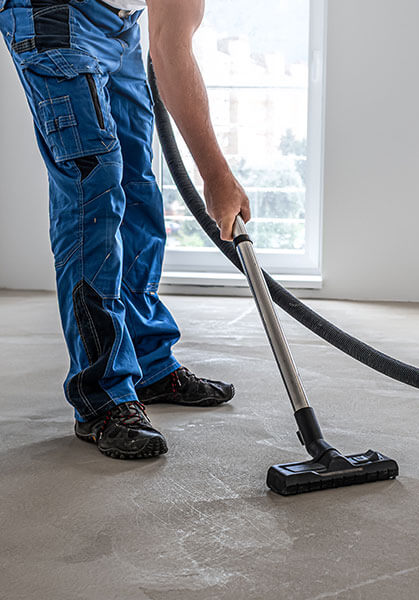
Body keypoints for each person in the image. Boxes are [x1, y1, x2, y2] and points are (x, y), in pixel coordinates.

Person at [0, 0, 251, 459]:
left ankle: (151, 364)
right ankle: (103, 398)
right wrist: (216, 175)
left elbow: (171, 39)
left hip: (117, 23)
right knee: (93, 188)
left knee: (138, 188)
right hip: (52, 12)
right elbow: (171, 53)